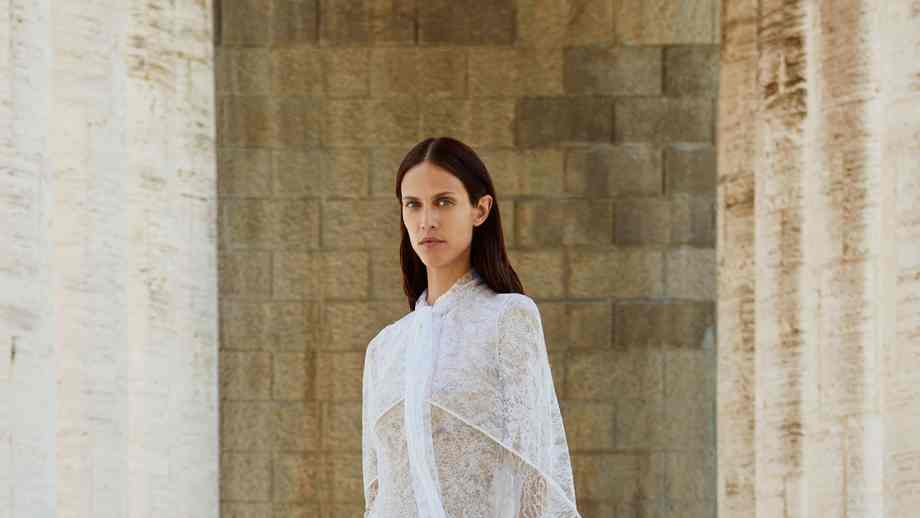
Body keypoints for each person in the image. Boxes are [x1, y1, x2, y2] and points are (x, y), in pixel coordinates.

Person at [362, 137, 582, 518]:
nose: (427, 221)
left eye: (443, 202)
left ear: (480, 210)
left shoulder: (509, 318)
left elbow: (533, 473)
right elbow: (378, 491)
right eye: (413, 204)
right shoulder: (384, 348)